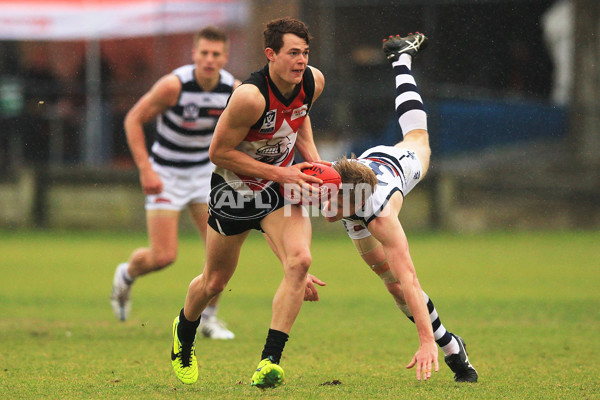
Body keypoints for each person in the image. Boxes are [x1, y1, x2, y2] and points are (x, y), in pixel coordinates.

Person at [169, 17, 326, 387]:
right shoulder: (249, 97)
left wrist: (315, 163)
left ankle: (269, 361)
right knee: (214, 282)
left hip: (278, 188)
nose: (301, 60)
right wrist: (282, 173)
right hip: (233, 191)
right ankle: (183, 335)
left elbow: (299, 117)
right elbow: (218, 152)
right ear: (270, 54)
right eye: (292, 53)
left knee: (300, 261)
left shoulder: (312, 81)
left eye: (304, 53)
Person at [317, 32, 478, 382]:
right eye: (333, 197)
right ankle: (451, 342)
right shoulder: (329, 186)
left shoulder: (381, 217)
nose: (328, 207)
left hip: (396, 166)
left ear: (357, 201)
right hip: (364, 167)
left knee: (418, 138)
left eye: (339, 201)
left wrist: (427, 341)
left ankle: (401, 60)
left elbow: (411, 276)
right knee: (389, 284)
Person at [111, 26, 241, 340]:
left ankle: (208, 318)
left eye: (216, 54)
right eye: (204, 53)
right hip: (166, 173)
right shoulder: (174, 85)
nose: (209, 59)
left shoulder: (233, 90)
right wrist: (146, 170)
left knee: (219, 253)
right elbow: (133, 118)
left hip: (204, 175)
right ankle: (126, 275)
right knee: (164, 256)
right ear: (194, 54)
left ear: (225, 57)